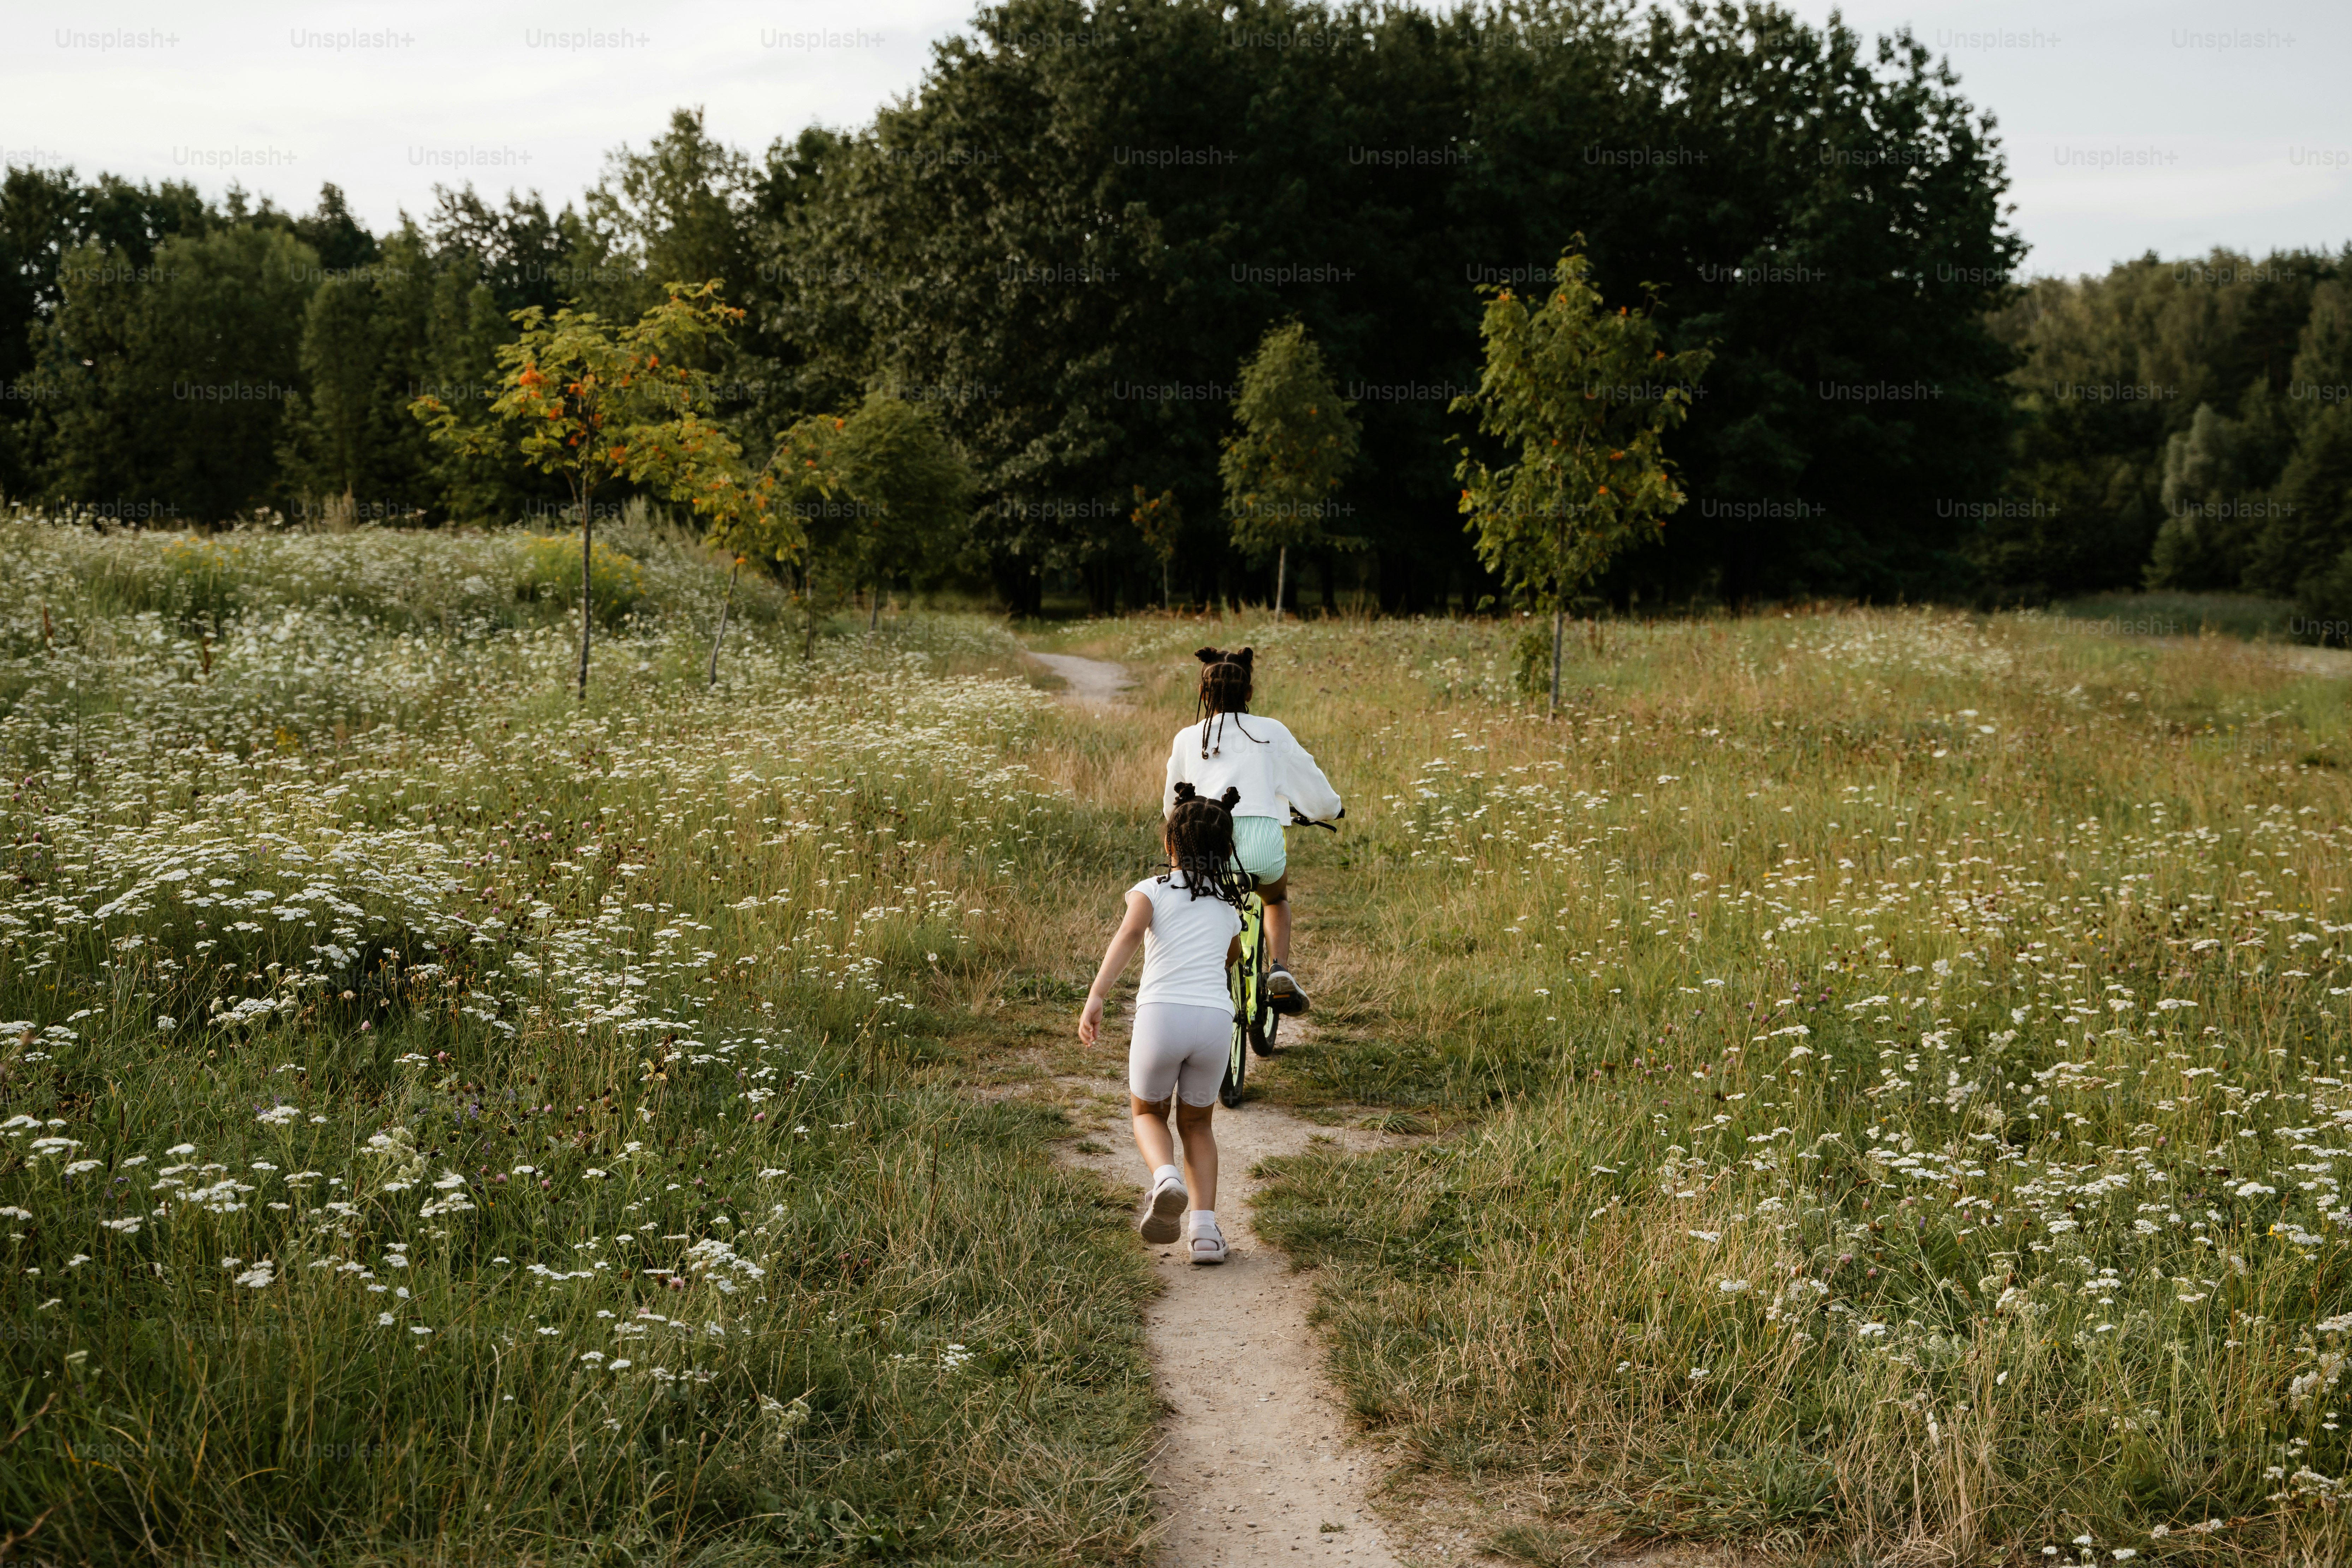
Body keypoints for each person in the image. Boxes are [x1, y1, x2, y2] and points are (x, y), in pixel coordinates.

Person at [1078, 783, 1253, 1264]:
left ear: (1169, 846)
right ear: (1225, 853)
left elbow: (1130, 933)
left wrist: (1097, 997)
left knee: (1147, 1114)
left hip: (1162, 1017)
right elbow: (1231, 957)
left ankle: (1165, 1178)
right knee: (1198, 1125)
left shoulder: (1151, 891)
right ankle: (1204, 1234)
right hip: (1215, 1022)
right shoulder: (1227, 907)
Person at [1162, 646, 1342, 1013]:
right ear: (1249, 693)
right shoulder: (1272, 731)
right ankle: (1279, 968)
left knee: (1204, 894)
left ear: (1202, 693)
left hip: (1204, 842)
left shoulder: (1187, 738)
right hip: (1260, 844)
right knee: (1275, 899)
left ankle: (1203, 974)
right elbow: (1311, 781)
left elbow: (1172, 807)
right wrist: (1331, 809)